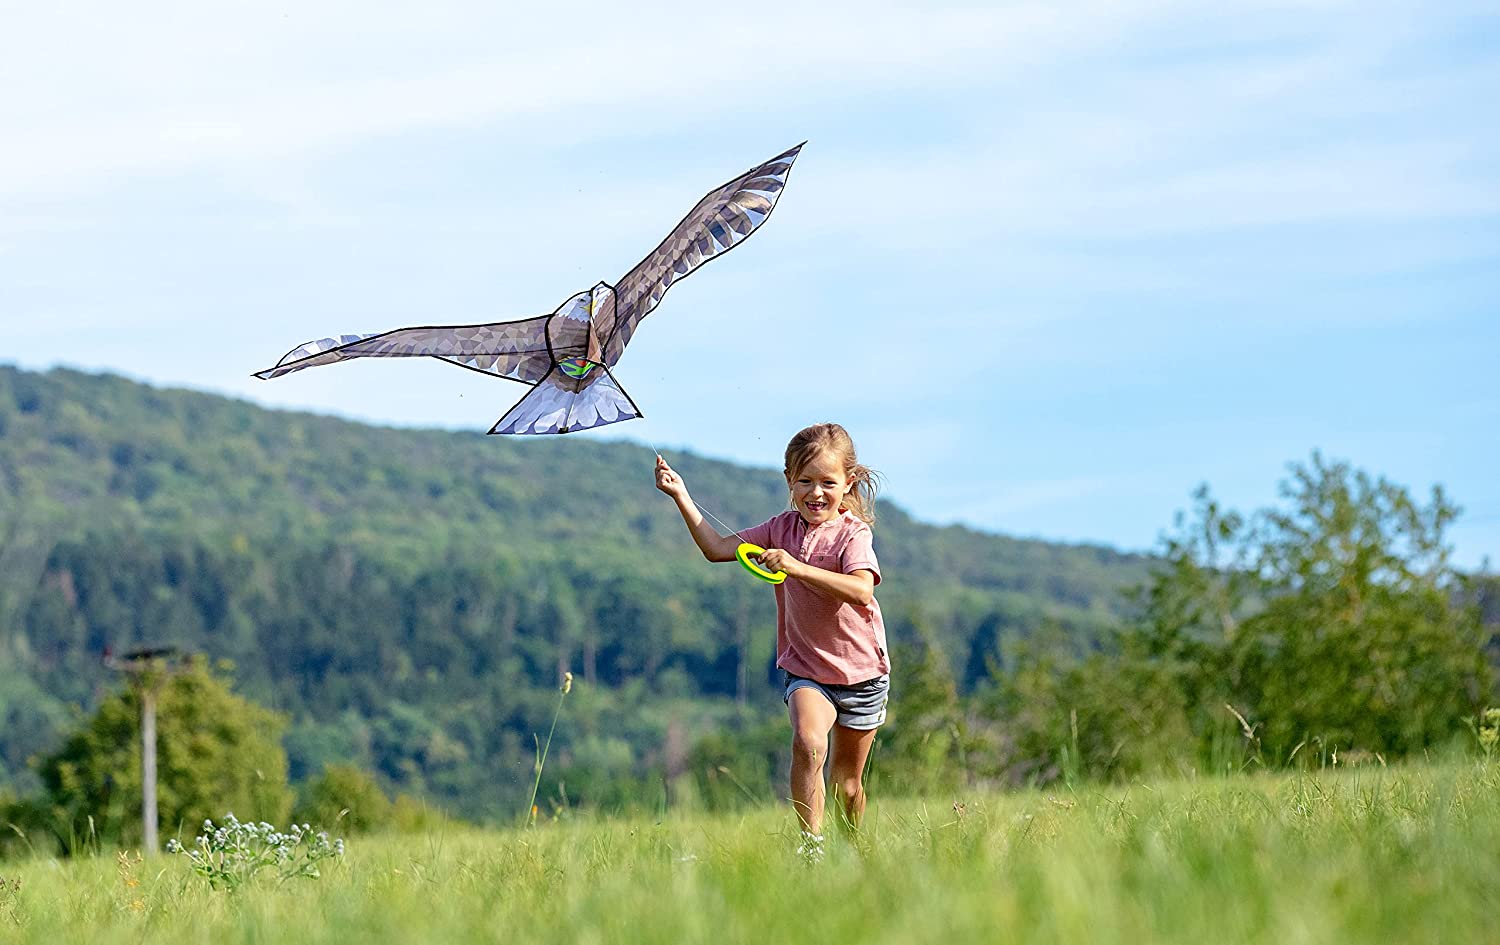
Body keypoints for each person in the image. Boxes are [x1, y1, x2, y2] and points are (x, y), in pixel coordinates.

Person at [655, 422, 888, 861]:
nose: (815, 493)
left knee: (848, 784)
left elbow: (862, 590)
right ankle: (811, 849)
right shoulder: (780, 529)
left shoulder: (853, 534)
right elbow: (717, 548)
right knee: (807, 742)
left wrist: (796, 568)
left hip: (861, 675)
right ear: (789, 481)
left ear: (848, 482)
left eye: (827, 483)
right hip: (805, 668)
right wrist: (681, 496)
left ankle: (853, 851)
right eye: (804, 481)